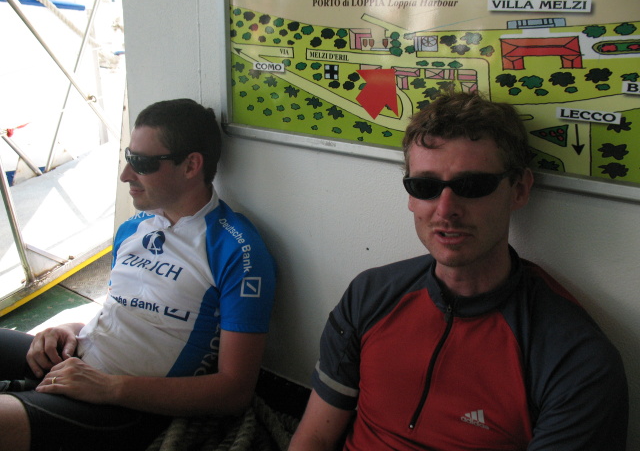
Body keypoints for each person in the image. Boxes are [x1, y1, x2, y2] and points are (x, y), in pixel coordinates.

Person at [289, 92, 628, 451]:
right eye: (426, 186)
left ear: (519, 189)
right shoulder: (369, 295)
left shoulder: (574, 358)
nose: (445, 209)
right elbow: (316, 436)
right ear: (411, 196)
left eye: (471, 186)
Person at [0, 98, 276, 451]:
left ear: (191, 165)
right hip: (76, 360)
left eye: (142, 163)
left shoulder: (237, 250)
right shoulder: (132, 228)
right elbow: (125, 310)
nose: (126, 175)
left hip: (125, 404)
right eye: (129, 157)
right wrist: (69, 330)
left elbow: (234, 391)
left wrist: (109, 388)